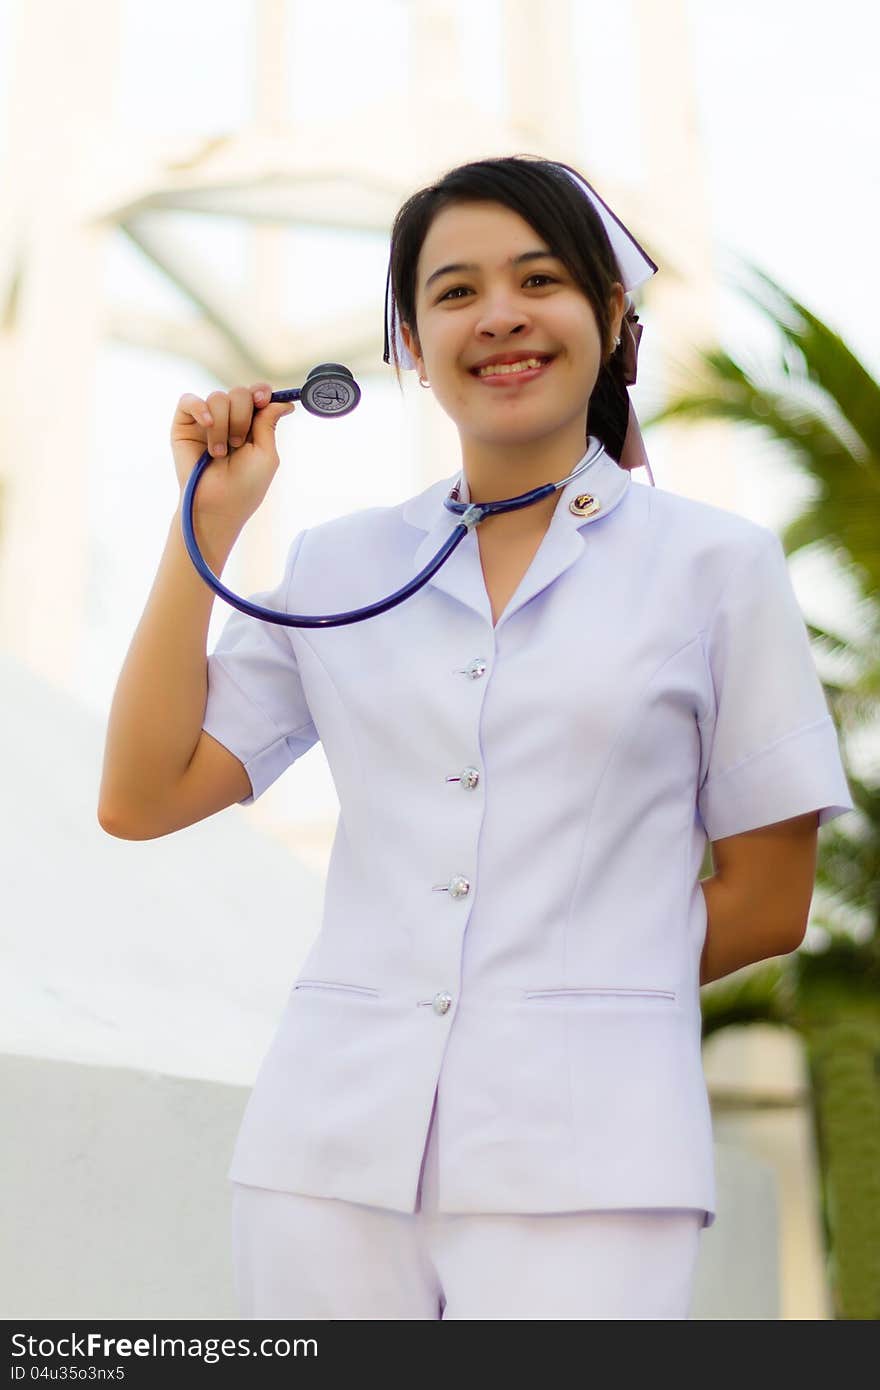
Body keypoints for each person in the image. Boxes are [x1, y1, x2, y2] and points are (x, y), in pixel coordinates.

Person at [98, 154, 854, 1320]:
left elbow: (768, 899)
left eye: (539, 279)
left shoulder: (715, 568)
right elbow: (143, 796)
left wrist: (552, 1000)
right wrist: (204, 522)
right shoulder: (339, 565)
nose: (498, 314)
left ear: (609, 315)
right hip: (323, 1152)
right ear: (407, 340)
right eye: (453, 292)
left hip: (593, 1158)